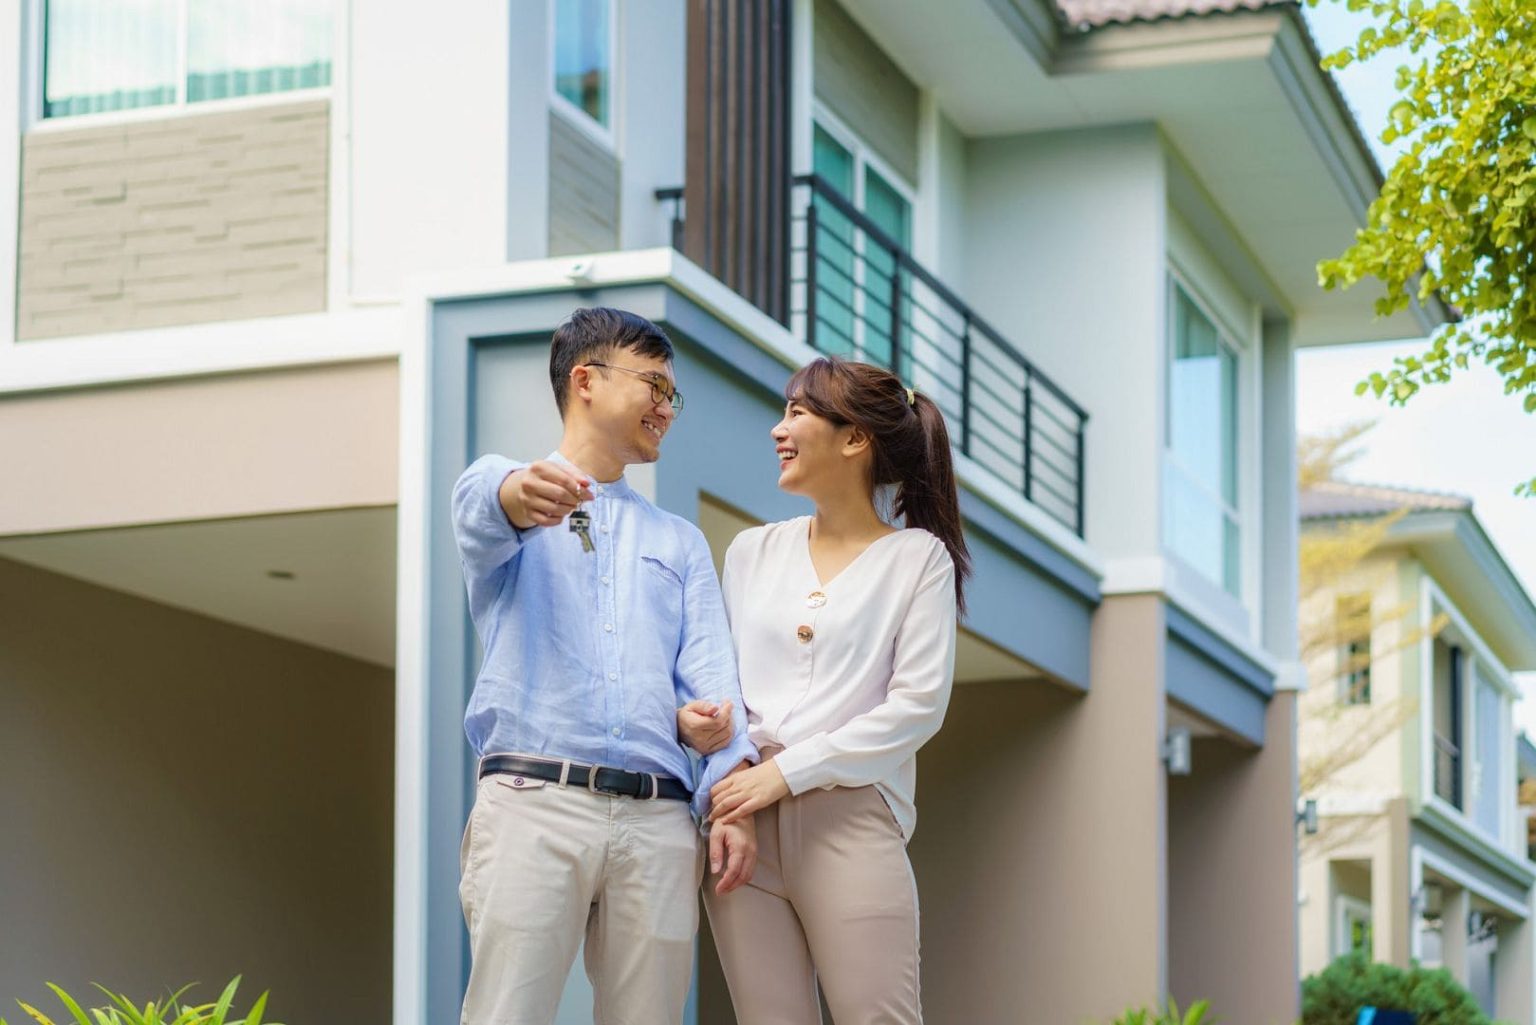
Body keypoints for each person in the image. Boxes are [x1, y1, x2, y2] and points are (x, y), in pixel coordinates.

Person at [451, 306, 760, 1025]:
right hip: (534, 799)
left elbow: (714, 680)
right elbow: (479, 501)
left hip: (658, 820)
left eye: (672, 394)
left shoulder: (679, 542)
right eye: (654, 384)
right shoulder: (514, 499)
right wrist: (514, 491)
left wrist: (728, 786)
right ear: (585, 380)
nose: (667, 406)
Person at [700, 356, 970, 1025]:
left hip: (848, 821)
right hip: (741, 822)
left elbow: (915, 709)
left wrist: (787, 773)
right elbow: (723, 684)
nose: (777, 429)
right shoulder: (750, 552)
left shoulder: (918, 560)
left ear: (855, 438)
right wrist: (728, 779)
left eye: (797, 411)